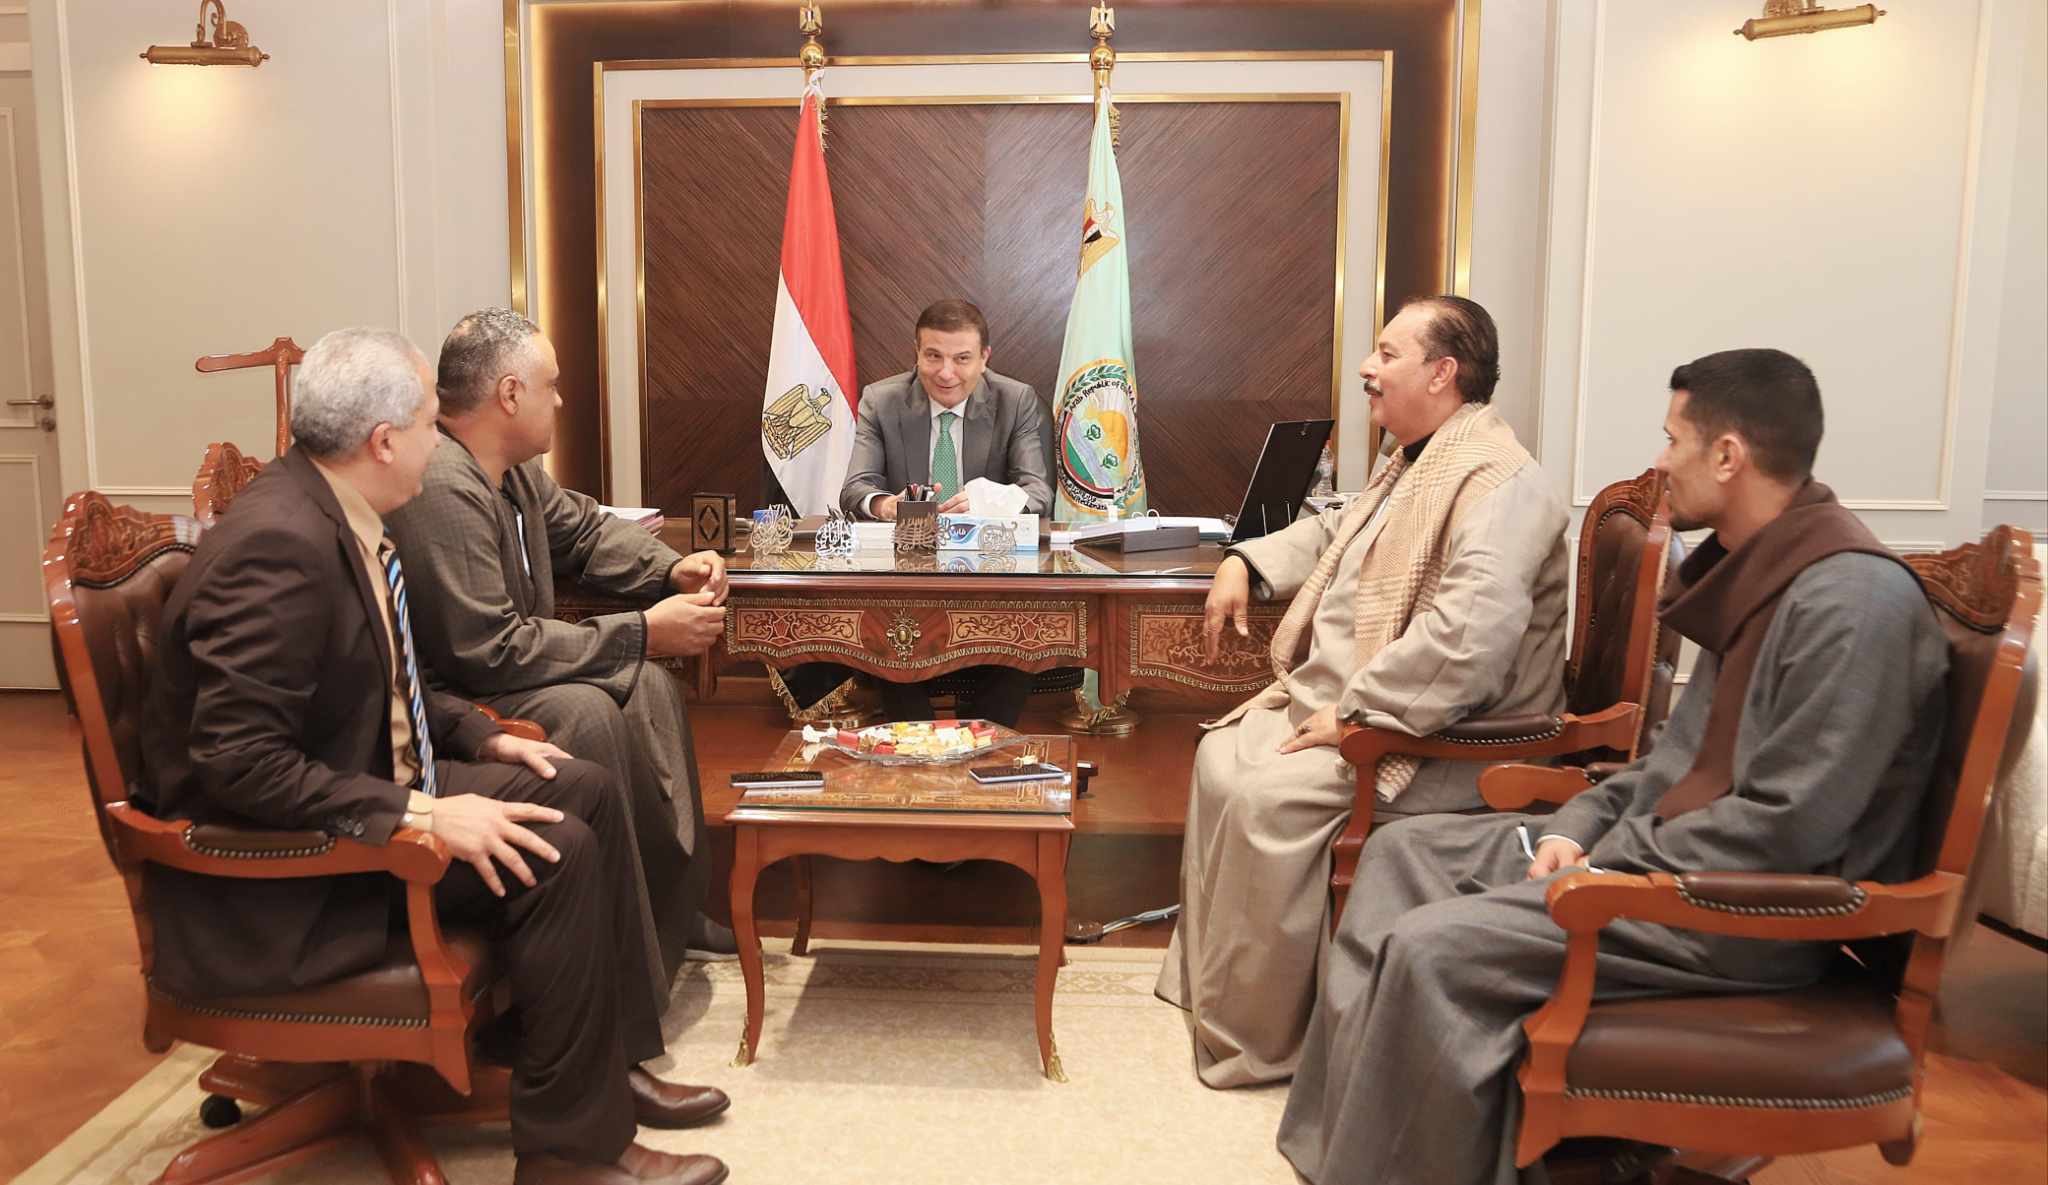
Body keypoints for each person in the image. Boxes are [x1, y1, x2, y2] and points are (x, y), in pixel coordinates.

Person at [1277, 348, 1949, 1185]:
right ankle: (1349, 1150)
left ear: (1728, 455)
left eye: (1674, 439)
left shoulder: (1854, 605)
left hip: (1738, 916)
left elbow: (1787, 829)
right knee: (1400, 853)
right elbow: (1676, 768)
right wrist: (1578, 824)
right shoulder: (1772, 568)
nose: (1660, 461)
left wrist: (1605, 862)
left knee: (1429, 947)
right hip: (1663, 863)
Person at [140, 328, 730, 1185]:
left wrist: (473, 732)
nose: (440, 436)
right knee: (559, 847)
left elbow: (382, 680)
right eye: (428, 421)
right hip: (283, 877)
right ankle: (568, 1154)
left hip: (358, 786)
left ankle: (594, 1082)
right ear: (384, 441)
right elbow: (239, 762)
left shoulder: (334, 509)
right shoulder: (280, 548)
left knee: (582, 788)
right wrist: (423, 813)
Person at [1157, 295, 1571, 1087]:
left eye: (1386, 354)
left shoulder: (1500, 481)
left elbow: (1468, 640)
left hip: (1445, 737)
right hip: (1370, 700)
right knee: (1222, 754)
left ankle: (1263, 1038)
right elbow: (1334, 528)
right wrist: (1244, 559)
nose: (1366, 368)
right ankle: (1211, 993)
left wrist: (1356, 712)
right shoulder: (1418, 457)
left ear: (1442, 373)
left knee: (1267, 795)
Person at [385, 308, 734, 996]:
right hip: (466, 696)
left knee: (651, 687)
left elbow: (584, 531)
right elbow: (487, 650)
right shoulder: (446, 486)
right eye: (551, 384)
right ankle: (622, 959)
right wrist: (644, 631)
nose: (562, 400)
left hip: (512, 668)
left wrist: (670, 568)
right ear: (510, 394)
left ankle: (672, 909)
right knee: (591, 710)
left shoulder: (512, 470)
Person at [827, 298, 1055, 726]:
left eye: (962, 359)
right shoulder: (881, 400)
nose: (946, 372)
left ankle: (985, 740)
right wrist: (886, 505)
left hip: (994, 581)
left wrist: (988, 502)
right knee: (887, 625)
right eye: (933, 356)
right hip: (909, 581)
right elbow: (856, 489)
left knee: (1025, 628)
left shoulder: (1016, 400)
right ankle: (913, 743)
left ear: (984, 358)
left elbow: (1038, 493)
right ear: (916, 353)